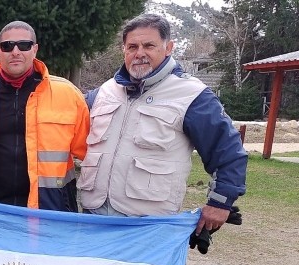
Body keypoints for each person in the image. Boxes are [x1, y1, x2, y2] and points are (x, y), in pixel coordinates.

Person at [79, 13, 247, 234]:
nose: (139, 53)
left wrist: (220, 202)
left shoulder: (192, 95)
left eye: (149, 45)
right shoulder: (104, 92)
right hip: (93, 218)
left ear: (168, 47)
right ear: (124, 50)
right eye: (132, 47)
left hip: (149, 225)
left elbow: (228, 152)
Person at [0, 21, 89, 211]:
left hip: (50, 210)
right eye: (7, 46)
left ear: (35, 49)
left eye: (23, 45)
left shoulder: (67, 95)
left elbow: (91, 155)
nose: (15, 51)